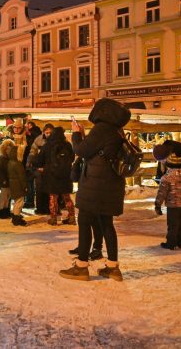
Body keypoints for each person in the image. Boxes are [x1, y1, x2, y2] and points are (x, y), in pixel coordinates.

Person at [59, 98, 130, 282]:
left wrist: (75, 134)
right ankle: (113, 268)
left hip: (95, 186)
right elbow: (95, 150)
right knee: (107, 224)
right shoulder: (116, 130)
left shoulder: (102, 128)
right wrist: (83, 135)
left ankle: (81, 267)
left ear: (103, 111)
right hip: (110, 186)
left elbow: (81, 150)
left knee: (84, 222)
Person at [35, 126, 76, 226]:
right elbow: (72, 158)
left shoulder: (47, 145)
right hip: (65, 174)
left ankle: (53, 218)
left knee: (53, 197)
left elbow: (39, 160)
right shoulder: (67, 145)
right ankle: (71, 217)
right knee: (67, 197)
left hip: (51, 174)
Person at [27, 123, 53, 215]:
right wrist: (29, 162)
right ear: (43, 133)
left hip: (51, 169)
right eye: (47, 133)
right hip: (40, 168)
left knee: (50, 190)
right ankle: (40, 208)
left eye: (50, 133)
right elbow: (33, 151)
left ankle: (51, 209)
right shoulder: (38, 140)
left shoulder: (56, 140)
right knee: (40, 189)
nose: (48, 134)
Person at [7, 145, 28, 226]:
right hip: (18, 185)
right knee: (19, 202)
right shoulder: (18, 164)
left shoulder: (10, 162)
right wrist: (25, 186)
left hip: (13, 184)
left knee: (16, 201)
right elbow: (22, 177)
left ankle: (15, 216)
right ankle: (16, 218)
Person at [23, 121, 42, 210]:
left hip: (31, 162)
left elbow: (30, 148)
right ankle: (35, 203)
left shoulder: (33, 134)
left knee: (29, 182)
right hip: (36, 162)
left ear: (30, 126)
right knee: (34, 184)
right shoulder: (39, 134)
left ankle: (30, 202)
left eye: (27, 126)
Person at [0, 139, 15, 219]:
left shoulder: (11, 158)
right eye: (7, 148)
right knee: (3, 197)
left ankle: (6, 211)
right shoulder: (0, 159)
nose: (8, 150)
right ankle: (0, 212)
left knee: (8, 197)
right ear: (4, 149)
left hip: (10, 180)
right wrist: (3, 180)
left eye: (10, 148)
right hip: (4, 180)